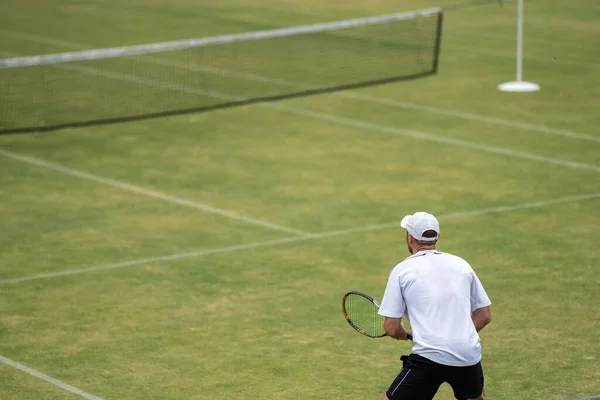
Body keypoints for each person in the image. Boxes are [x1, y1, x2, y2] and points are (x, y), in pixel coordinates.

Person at [378, 211, 492, 400]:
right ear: (437, 237)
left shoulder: (401, 271)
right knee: (476, 398)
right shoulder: (461, 264)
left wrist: (399, 333)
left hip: (428, 357)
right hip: (467, 354)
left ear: (409, 237)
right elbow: (484, 315)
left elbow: (391, 327)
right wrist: (456, 335)